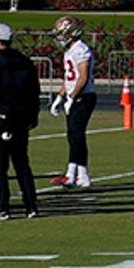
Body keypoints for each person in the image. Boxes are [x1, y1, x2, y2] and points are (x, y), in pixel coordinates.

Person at [0, 23, 42, 220]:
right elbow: (34, 91)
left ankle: (2, 208)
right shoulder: (24, 61)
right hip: (21, 115)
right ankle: (31, 206)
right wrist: (32, 115)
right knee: (22, 164)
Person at [49, 16, 98, 191]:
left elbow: (83, 77)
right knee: (73, 136)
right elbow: (69, 78)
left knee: (76, 135)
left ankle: (75, 174)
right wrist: (60, 97)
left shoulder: (80, 49)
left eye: (63, 34)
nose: (60, 37)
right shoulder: (70, 51)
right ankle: (80, 175)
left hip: (83, 97)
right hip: (75, 96)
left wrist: (72, 97)